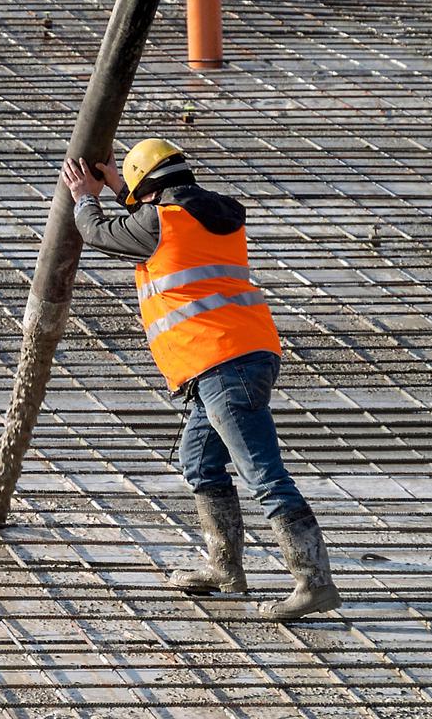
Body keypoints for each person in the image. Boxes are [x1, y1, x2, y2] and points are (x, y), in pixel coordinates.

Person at [59, 139, 341, 620]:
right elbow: (159, 216)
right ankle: (225, 569)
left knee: (263, 473)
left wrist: (86, 195)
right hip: (240, 356)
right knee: (199, 461)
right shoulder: (214, 217)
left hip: (222, 363)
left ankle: (314, 582)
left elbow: (100, 232)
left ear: (148, 191)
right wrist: (120, 183)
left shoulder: (157, 222)